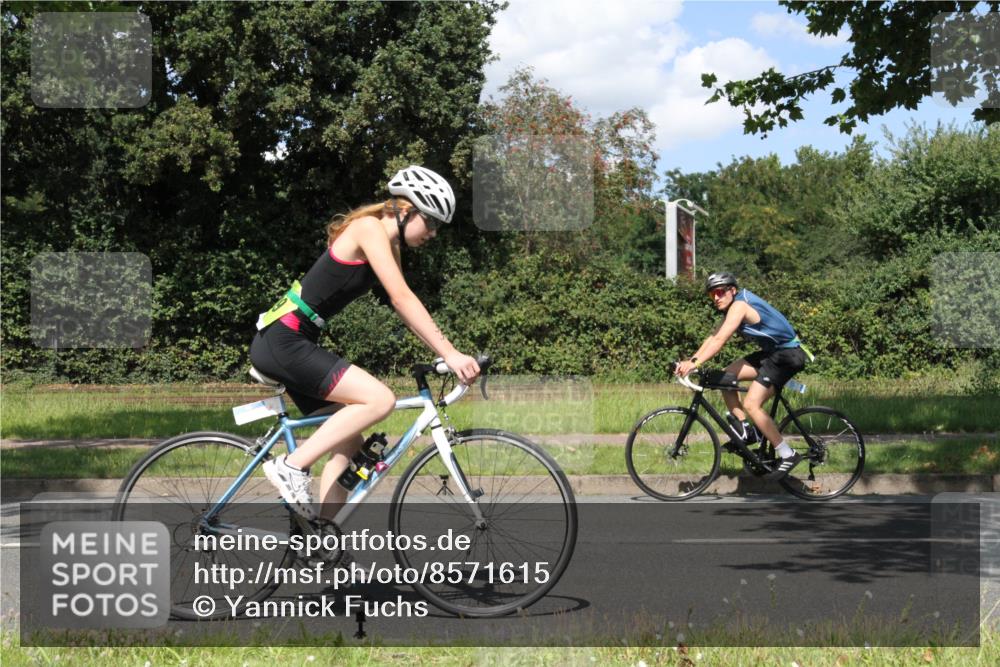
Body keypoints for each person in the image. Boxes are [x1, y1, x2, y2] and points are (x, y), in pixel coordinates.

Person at [250, 166, 480, 520]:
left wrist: (443, 353)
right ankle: (290, 466)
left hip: (292, 340)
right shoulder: (368, 228)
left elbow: (402, 306)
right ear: (407, 210)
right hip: (284, 339)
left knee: (350, 450)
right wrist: (450, 353)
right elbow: (402, 297)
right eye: (431, 222)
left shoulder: (388, 244)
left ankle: (321, 538)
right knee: (380, 399)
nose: (433, 233)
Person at [674, 272, 810, 481]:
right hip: (772, 353)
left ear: (733, 290)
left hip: (787, 355)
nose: (716, 297)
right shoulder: (732, 308)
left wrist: (694, 364)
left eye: (720, 292)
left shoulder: (739, 306)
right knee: (726, 377)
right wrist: (692, 361)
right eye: (712, 294)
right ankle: (746, 431)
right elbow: (712, 337)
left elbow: (720, 341)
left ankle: (787, 454)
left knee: (752, 404)